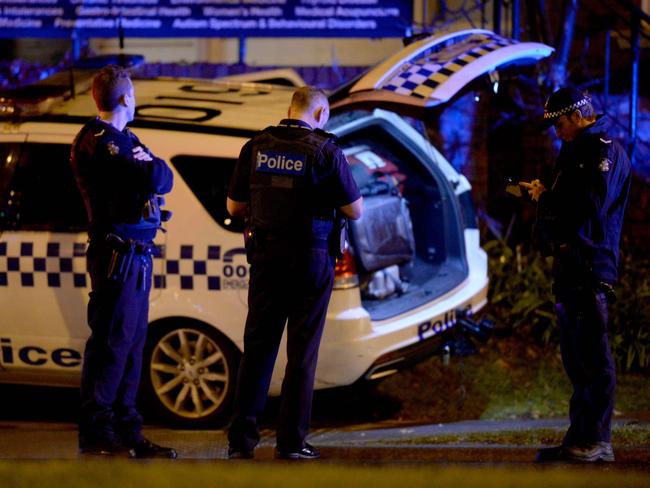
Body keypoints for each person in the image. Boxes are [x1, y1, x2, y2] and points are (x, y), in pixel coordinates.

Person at [226, 86, 363, 460]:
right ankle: (291, 443)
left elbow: (234, 206)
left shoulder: (256, 147)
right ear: (319, 115)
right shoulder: (326, 151)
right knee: (302, 353)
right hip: (310, 259)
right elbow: (355, 211)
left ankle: (241, 442)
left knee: (257, 350)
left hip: (266, 259)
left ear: (291, 109)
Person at [70, 65, 177, 459]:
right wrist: (149, 168)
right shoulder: (100, 141)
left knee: (131, 346)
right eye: (134, 91)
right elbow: (157, 176)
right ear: (126, 97)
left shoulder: (125, 137)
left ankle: (127, 430)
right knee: (112, 346)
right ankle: (98, 433)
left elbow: (158, 176)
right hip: (116, 257)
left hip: (136, 257)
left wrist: (150, 169)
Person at [522, 87, 632, 463]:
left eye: (559, 123)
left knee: (593, 358)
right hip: (570, 266)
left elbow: (591, 208)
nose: (556, 131)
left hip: (589, 266)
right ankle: (580, 438)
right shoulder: (576, 151)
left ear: (577, 115)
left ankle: (598, 440)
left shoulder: (603, 151)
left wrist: (546, 198)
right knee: (576, 359)